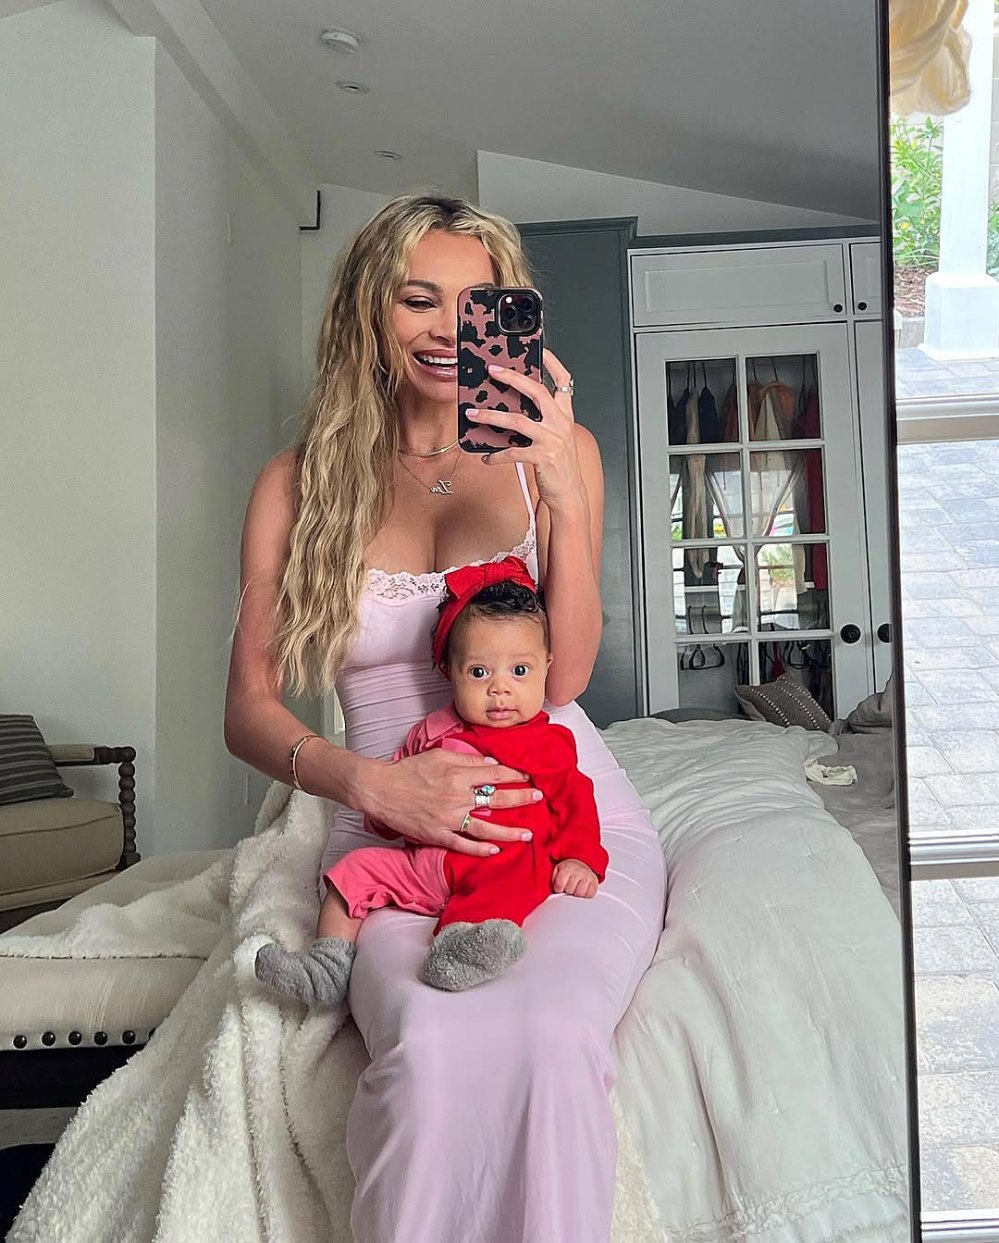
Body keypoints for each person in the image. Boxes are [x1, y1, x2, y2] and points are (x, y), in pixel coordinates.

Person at [224, 191, 666, 1243]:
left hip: (556, 822)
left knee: (551, 1031)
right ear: (369, 309)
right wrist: (374, 783)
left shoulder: (559, 453)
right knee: (427, 1042)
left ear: (509, 318)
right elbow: (247, 710)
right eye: (416, 298)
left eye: (475, 305)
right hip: (389, 828)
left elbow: (566, 677)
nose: (445, 329)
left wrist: (561, 492)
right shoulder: (296, 483)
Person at [253, 557, 609, 1004]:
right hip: (423, 862)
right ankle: (328, 965)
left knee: (518, 874)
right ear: (449, 672)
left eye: (519, 671)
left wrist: (580, 858)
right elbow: (396, 794)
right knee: (352, 873)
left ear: (546, 666)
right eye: (479, 672)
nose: (500, 689)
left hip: (495, 858)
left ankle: (462, 947)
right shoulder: (430, 733)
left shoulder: (547, 742)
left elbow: (577, 800)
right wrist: (384, 816)